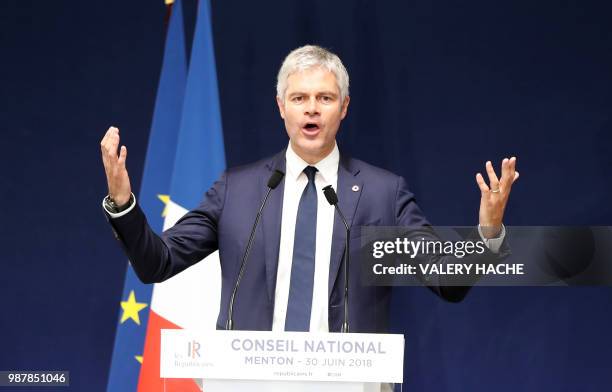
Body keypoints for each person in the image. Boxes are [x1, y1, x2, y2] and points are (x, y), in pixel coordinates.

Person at [100, 45, 519, 333]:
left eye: (325, 97)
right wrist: (123, 205)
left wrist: (487, 234)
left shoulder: (382, 194)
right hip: (249, 382)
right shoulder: (239, 190)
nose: (312, 108)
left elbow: (447, 283)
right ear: (281, 107)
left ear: (345, 107)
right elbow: (157, 263)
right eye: (299, 98)